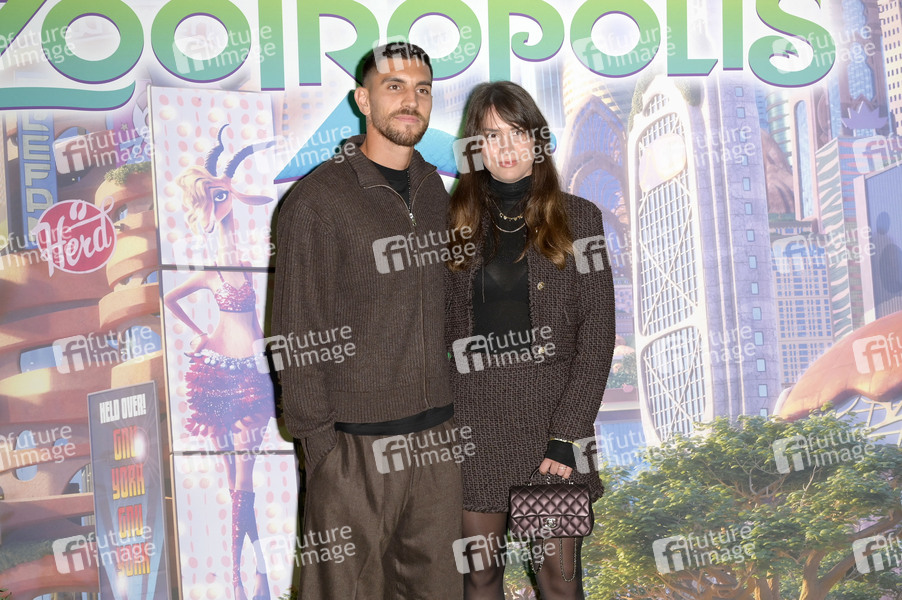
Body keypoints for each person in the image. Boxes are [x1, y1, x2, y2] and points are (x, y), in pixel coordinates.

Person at [271, 42, 463, 598]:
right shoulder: (318, 200)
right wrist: (321, 449)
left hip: (437, 448)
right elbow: (297, 331)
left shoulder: (437, 191)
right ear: (363, 99)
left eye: (422, 89)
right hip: (354, 451)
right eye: (394, 87)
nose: (410, 101)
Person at [445, 81, 616, 599]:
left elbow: (597, 335)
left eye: (517, 132)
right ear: (474, 146)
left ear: (538, 140)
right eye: (491, 135)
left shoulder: (579, 218)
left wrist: (567, 433)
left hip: (551, 432)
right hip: (474, 430)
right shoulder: (453, 224)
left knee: (558, 581)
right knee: (480, 577)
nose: (505, 147)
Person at [163, 126, 276, 600]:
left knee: (243, 480)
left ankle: (249, 578)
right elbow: (169, 299)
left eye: (222, 195)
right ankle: (248, 579)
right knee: (234, 481)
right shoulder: (209, 273)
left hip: (251, 379)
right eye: (215, 195)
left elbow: (257, 323)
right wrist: (200, 335)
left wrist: (271, 366)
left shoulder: (246, 266)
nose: (221, 204)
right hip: (214, 376)